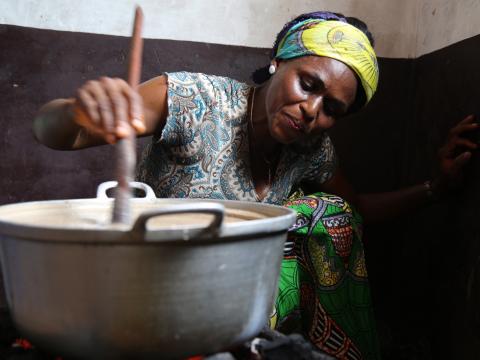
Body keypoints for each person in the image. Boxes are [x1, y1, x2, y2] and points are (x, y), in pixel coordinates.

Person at [32, 11, 477, 360]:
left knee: (331, 215)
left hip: (239, 299)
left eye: (332, 109)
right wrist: (78, 113)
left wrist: (435, 187)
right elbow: (54, 132)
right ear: (278, 59)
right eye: (308, 84)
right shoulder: (192, 100)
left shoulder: (313, 149)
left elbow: (356, 208)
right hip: (154, 284)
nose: (311, 110)